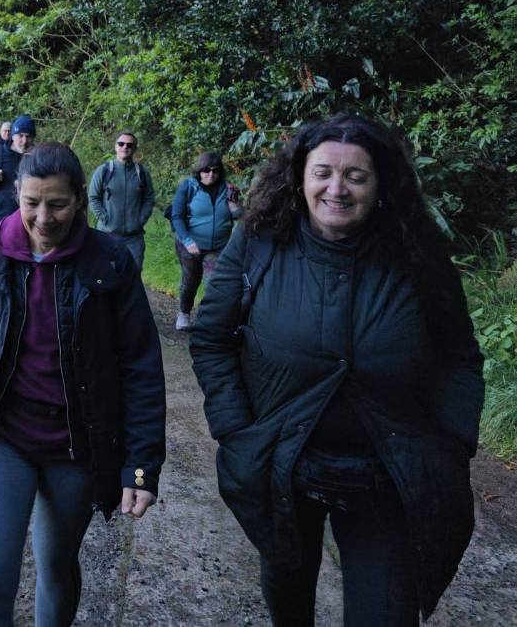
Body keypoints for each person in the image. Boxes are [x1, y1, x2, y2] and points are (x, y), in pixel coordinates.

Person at [189, 114, 485, 626]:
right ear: (300, 176)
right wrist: (235, 428)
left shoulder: (417, 252)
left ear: (379, 183)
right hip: (282, 467)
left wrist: (452, 442)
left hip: (386, 474)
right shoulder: (259, 241)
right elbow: (212, 338)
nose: (337, 189)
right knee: (289, 603)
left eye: (356, 176)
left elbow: (459, 355)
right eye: (323, 172)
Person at [0, 141, 165, 626]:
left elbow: (141, 368)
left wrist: (141, 465)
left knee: (58, 568)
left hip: (74, 448)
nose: (43, 218)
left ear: (80, 198)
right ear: (17, 194)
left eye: (57, 203)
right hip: (4, 439)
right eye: (31, 202)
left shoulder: (111, 263)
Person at [169, 152, 240, 330]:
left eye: (215, 171)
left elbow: (240, 216)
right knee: (191, 280)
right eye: (206, 170)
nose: (210, 175)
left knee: (215, 282)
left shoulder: (228, 188)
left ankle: (209, 319)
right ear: (199, 171)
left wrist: (234, 206)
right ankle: (184, 313)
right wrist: (187, 240)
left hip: (217, 247)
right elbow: (176, 216)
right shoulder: (188, 186)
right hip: (190, 245)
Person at [88, 131, 156, 268]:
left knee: (133, 277)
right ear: (115, 147)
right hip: (107, 236)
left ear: (134, 148)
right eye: (121, 143)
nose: (125, 147)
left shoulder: (142, 173)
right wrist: (104, 218)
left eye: (129, 145)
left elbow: (149, 198)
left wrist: (141, 219)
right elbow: (93, 197)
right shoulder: (104, 171)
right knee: (107, 276)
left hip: (134, 238)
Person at [0, 113, 36, 227]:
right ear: (13, 135)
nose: (24, 141)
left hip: (30, 221)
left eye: (28, 136)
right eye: (20, 135)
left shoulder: (38, 157)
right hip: (0, 221)